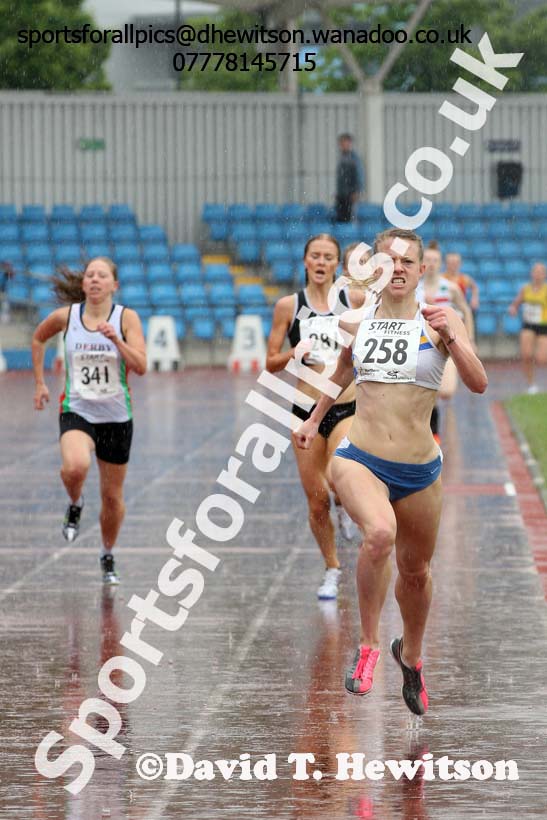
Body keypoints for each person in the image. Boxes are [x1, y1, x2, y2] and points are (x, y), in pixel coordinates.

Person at [295, 227, 487, 714]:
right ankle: (368, 645)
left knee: (416, 573)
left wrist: (454, 340)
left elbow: (478, 382)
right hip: (360, 457)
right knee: (379, 533)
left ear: (422, 270)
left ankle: (413, 657)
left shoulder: (440, 321)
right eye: (388, 261)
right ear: (375, 270)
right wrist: (315, 420)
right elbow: (342, 370)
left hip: (420, 470)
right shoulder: (357, 322)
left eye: (407, 261)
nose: (397, 268)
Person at [31, 257, 146, 584]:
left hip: (116, 416)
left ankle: (107, 553)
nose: (95, 279)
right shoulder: (66, 317)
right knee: (75, 467)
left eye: (102, 275)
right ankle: (75, 501)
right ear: (83, 285)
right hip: (77, 409)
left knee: (112, 497)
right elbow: (38, 338)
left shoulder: (127, 318)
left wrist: (117, 341)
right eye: (90, 275)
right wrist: (40, 382)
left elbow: (141, 366)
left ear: (114, 285)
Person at [266, 234, 364, 600]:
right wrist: (294, 352)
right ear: (305, 261)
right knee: (317, 498)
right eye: (315, 256)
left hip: (345, 405)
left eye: (328, 257)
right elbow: (270, 362)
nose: (321, 263)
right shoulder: (288, 307)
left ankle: (347, 502)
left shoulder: (351, 301)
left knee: (341, 472)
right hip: (304, 410)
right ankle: (332, 568)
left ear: (337, 264)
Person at [420, 242, 475, 443]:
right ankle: (433, 432)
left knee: (446, 391)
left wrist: (469, 340)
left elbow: (466, 311)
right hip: (423, 345)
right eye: (428, 260)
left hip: (448, 344)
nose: (431, 264)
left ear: (440, 263)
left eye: (435, 260)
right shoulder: (414, 288)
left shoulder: (450, 288)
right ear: (421, 263)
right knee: (431, 390)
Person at [508, 262, 547, 394]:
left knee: (542, 359)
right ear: (532, 274)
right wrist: (513, 308)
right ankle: (531, 385)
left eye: (540, 272)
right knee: (526, 355)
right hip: (528, 324)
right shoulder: (526, 289)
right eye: (535, 272)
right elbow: (517, 302)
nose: (538, 275)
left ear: (544, 275)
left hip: (543, 326)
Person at [335, 134, 365, 223]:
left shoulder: (354, 158)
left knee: (350, 220)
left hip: (350, 195)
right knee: (341, 220)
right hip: (342, 196)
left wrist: (357, 191)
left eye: (345, 142)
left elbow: (359, 175)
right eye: (341, 143)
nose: (343, 145)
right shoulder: (342, 157)